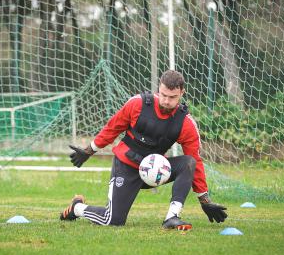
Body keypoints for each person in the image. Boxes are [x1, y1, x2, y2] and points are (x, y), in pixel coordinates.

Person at [60, 70, 227, 230]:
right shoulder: (137, 104)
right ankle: (77, 208)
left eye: (172, 97)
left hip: (154, 172)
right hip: (126, 166)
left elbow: (195, 161)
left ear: (182, 93)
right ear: (158, 89)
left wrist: (204, 200)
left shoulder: (186, 123)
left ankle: (172, 217)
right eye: (163, 95)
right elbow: (112, 128)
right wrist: (89, 151)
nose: (166, 101)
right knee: (112, 220)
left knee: (188, 162)